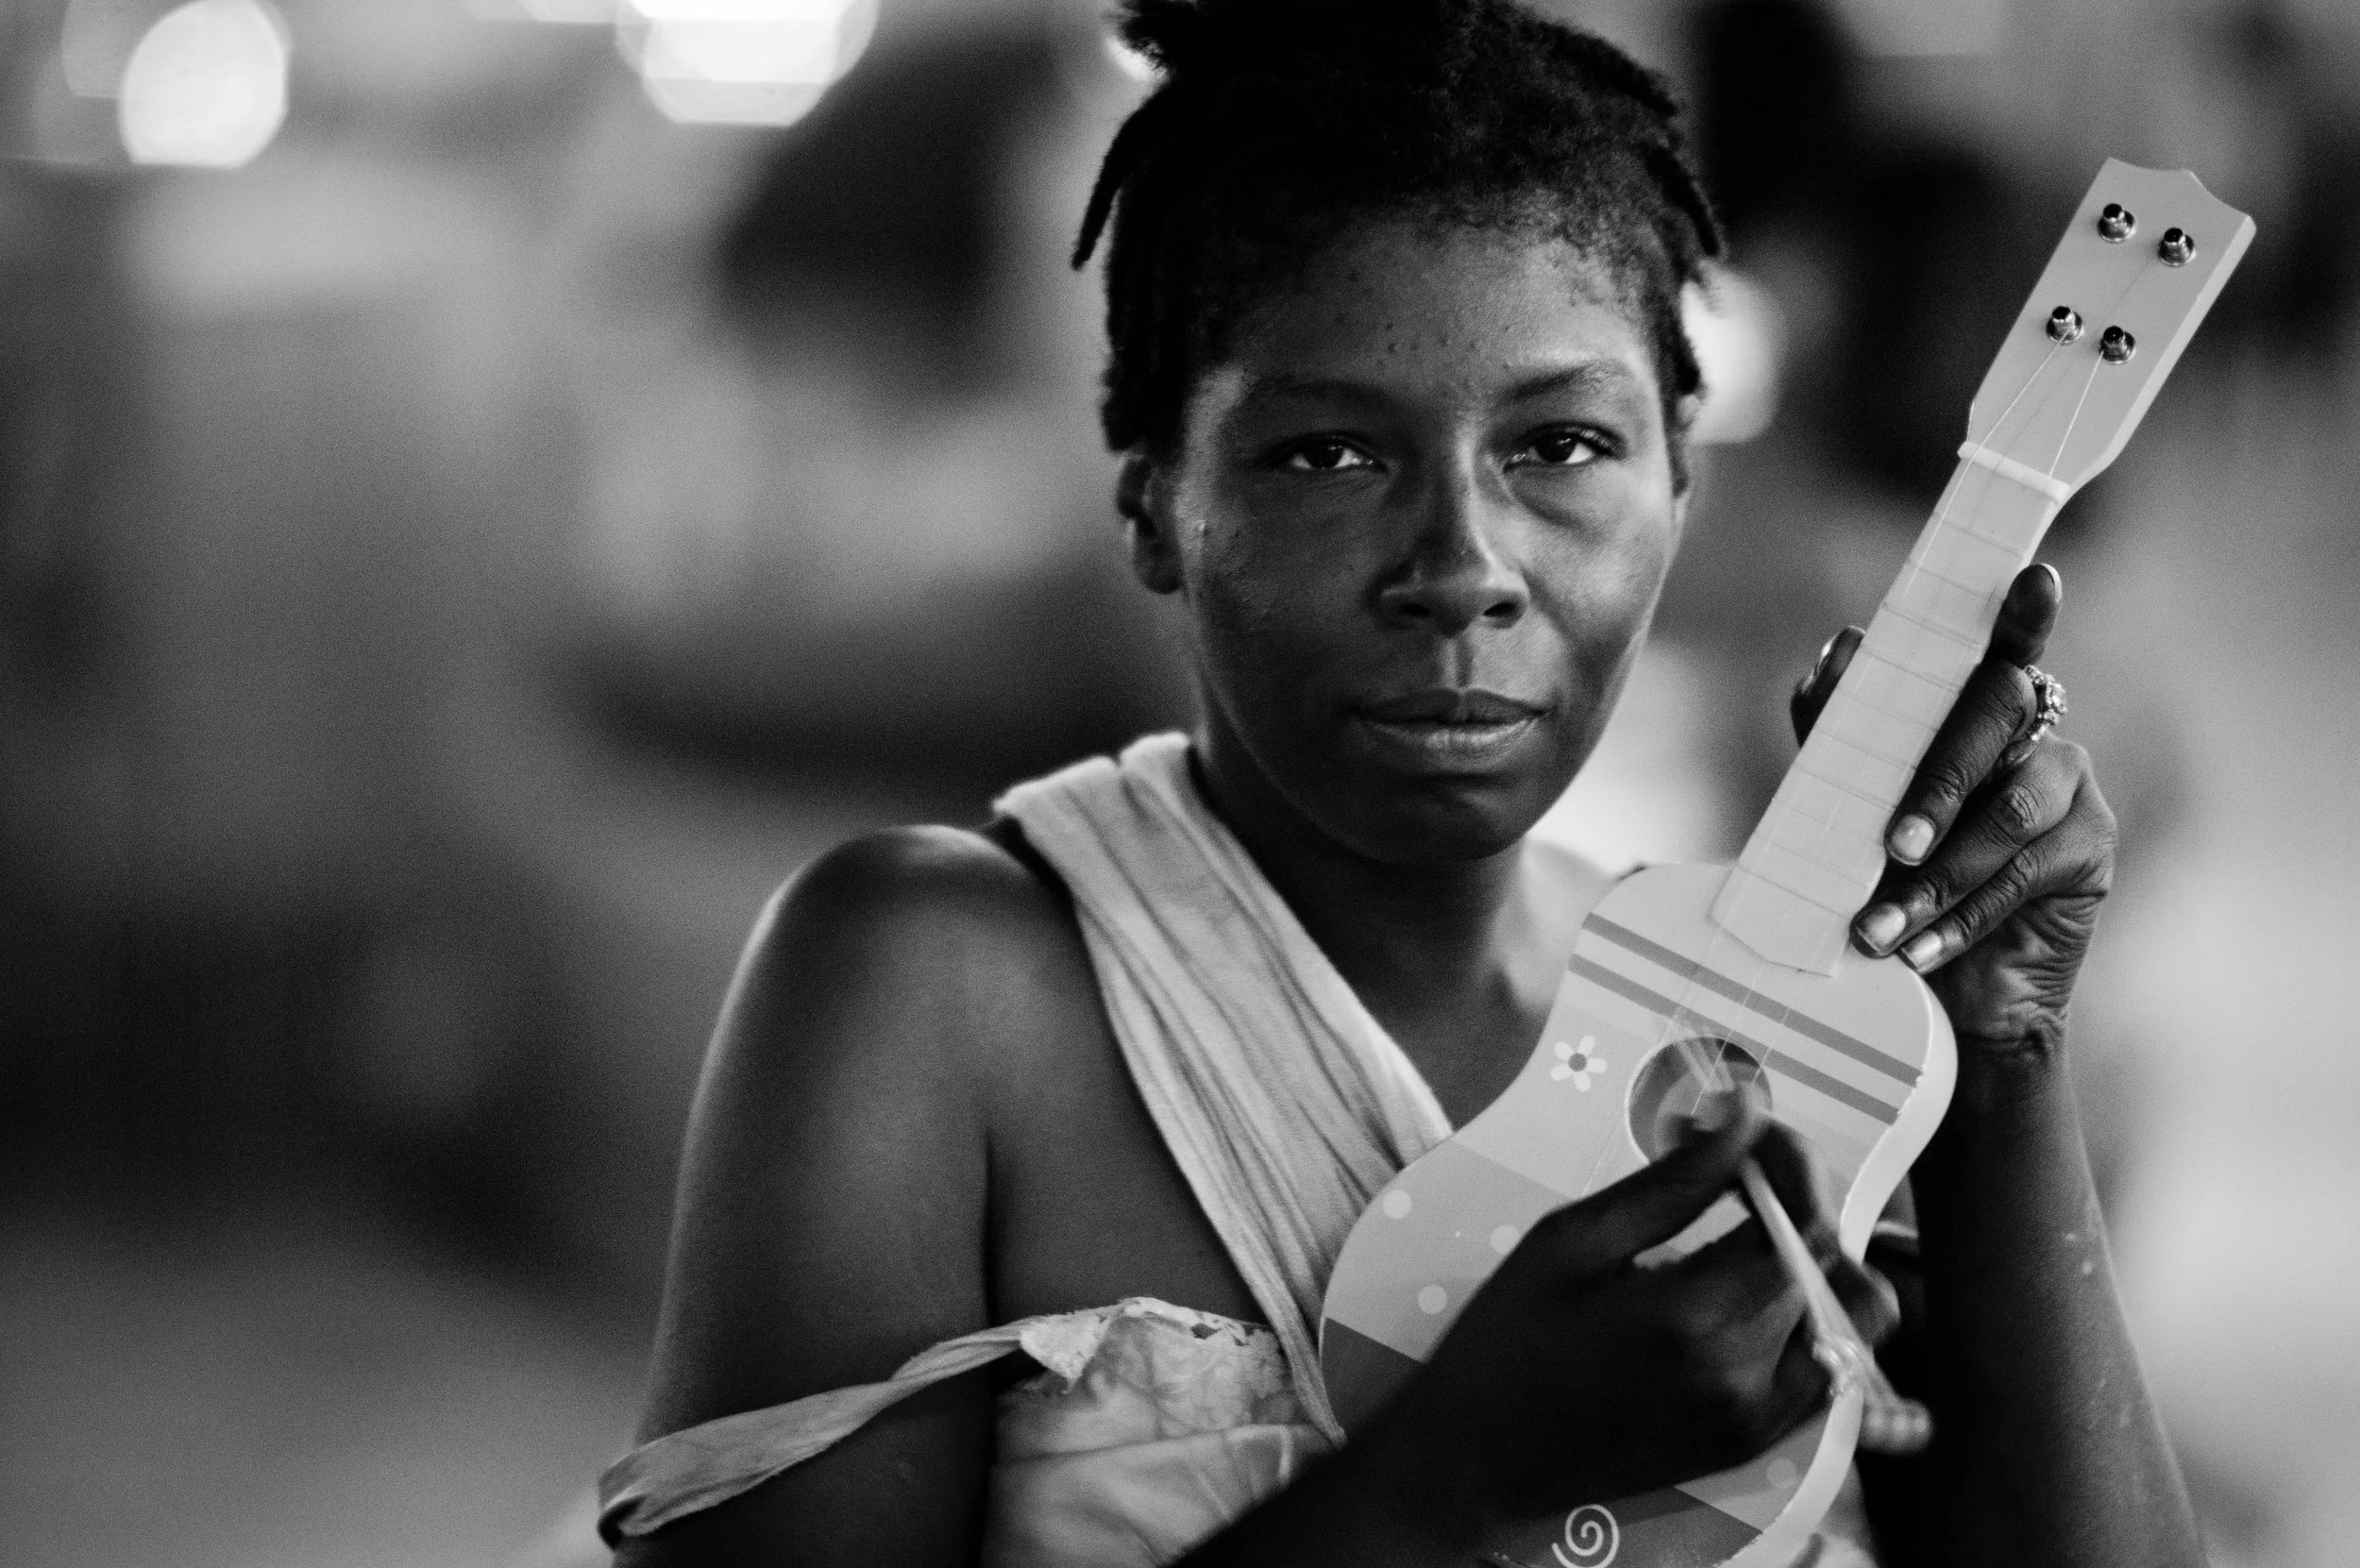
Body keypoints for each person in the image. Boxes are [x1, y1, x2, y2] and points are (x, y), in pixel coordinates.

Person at [598, 2, 2200, 1563]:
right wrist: (1449, 1481)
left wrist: (1999, 1065)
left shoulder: (1729, 1028)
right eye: (1327, 455)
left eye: (1561, 446)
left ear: (1681, 491)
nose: (1462, 569)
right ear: (1155, 507)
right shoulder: (934, 984)